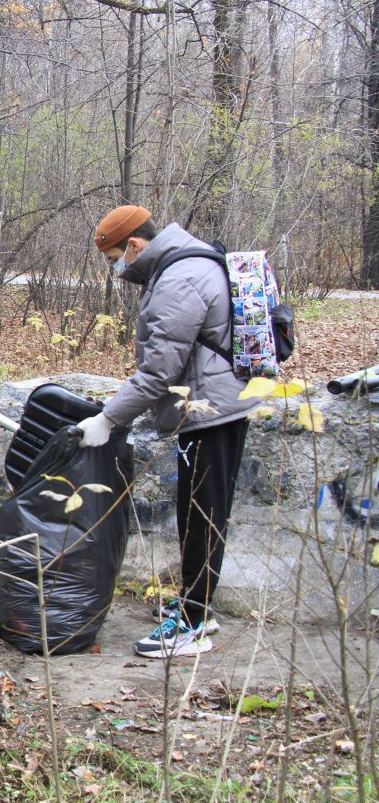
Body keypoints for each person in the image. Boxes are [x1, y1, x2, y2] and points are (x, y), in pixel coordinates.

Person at [77, 205, 257, 659]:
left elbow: (159, 373)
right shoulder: (187, 265)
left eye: (116, 258)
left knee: (201, 514)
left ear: (134, 245)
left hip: (211, 412)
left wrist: (108, 418)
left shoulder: (178, 280)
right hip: (214, 406)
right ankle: (199, 606)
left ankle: (194, 623)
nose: (118, 269)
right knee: (201, 511)